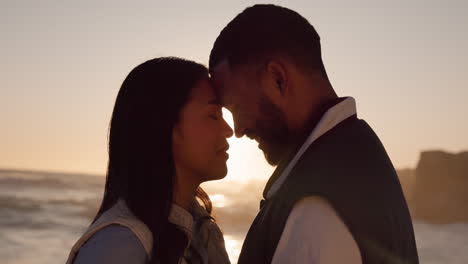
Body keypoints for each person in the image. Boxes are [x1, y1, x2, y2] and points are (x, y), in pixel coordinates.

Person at [209, 4, 419, 264]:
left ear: (278, 79)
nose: (238, 130)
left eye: (237, 108)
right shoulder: (361, 150)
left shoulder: (313, 210)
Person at [66, 57, 233, 264]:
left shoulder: (204, 232)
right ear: (163, 126)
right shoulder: (118, 245)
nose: (229, 130)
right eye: (213, 115)